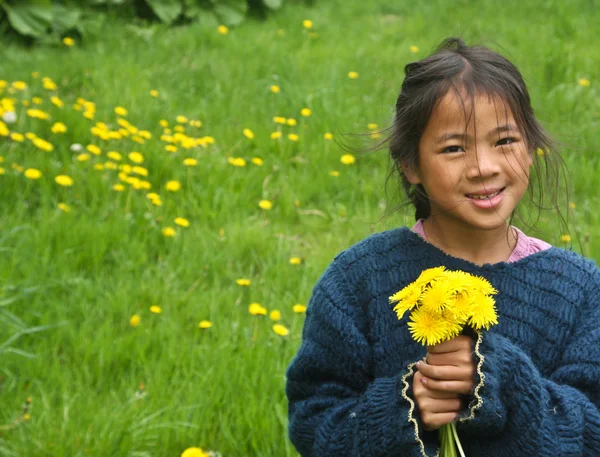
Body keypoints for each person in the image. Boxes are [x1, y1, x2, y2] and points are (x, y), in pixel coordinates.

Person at [285, 37, 600, 457]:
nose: (484, 167)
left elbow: (591, 431)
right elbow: (314, 422)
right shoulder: (358, 281)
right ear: (411, 165)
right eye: (454, 148)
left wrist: (499, 380)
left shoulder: (580, 290)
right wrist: (406, 408)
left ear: (530, 149)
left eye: (504, 141)